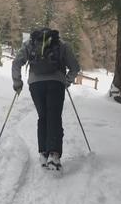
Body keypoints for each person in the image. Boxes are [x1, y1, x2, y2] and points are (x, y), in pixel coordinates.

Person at [12, 28, 80, 171]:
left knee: (43, 117)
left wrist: (17, 82)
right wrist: (66, 81)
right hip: (56, 84)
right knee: (54, 117)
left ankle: (43, 153)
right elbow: (75, 67)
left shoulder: (29, 44)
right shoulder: (62, 45)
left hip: (36, 85)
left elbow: (17, 62)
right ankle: (54, 155)